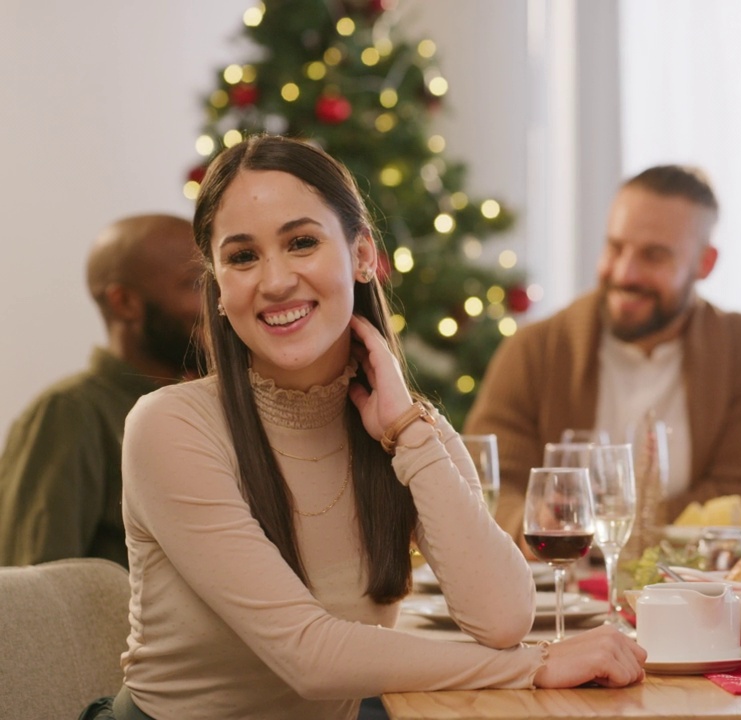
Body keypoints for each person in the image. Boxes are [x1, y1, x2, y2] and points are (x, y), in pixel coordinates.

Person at [91, 136, 643, 720]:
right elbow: (309, 658)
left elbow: (504, 617)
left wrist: (408, 431)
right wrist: (534, 667)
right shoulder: (171, 427)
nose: (275, 281)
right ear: (219, 288)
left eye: (301, 242)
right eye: (243, 256)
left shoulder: (407, 424)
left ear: (361, 255)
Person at [464, 165, 741, 543]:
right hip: (555, 591)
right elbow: (486, 484)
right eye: (615, 247)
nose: (624, 273)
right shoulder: (535, 350)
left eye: (653, 256)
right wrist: (532, 522)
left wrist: (604, 520)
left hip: (696, 589)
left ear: (705, 263)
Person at [0, 214, 202, 567]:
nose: (217, 304)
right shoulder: (68, 413)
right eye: (194, 284)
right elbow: (30, 591)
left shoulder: (205, 404)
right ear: (124, 302)